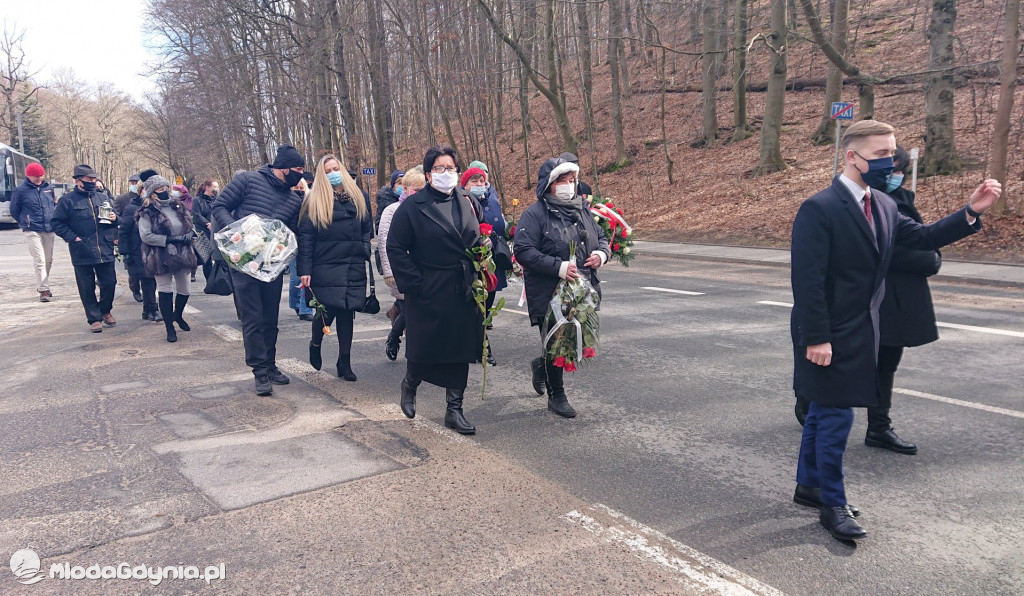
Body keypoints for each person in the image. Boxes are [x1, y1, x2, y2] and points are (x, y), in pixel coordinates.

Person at [790, 119, 1002, 543]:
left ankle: (809, 487)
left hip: (865, 329)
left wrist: (970, 212)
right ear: (852, 156)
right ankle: (833, 504)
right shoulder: (820, 208)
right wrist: (817, 337)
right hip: (828, 331)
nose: (890, 162)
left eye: (892, 152)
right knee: (836, 417)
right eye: (881, 154)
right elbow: (807, 280)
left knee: (822, 411)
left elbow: (922, 237)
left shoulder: (884, 205)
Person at [386, 145, 485, 435]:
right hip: (427, 286)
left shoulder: (467, 200)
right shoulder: (413, 206)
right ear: (429, 174)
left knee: (460, 349)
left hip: (462, 286)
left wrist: (485, 253)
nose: (446, 173)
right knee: (424, 346)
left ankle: (454, 409)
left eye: (450, 168)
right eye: (439, 168)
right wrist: (415, 283)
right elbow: (395, 247)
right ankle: (410, 383)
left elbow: (478, 235)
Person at [514, 156, 609, 419]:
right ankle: (557, 395)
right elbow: (523, 250)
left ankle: (541, 366)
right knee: (556, 341)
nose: (569, 185)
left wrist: (601, 254)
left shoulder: (582, 209)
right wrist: (558, 267)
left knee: (569, 340)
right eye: (562, 181)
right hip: (549, 291)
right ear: (549, 184)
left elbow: (601, 236)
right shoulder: (535, 214)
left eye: (572, 180)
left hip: (581, 291)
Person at [212, 144, 306, 396]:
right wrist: (238, 233)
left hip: (271, 266)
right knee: (252, 318)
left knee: (270, 319)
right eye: (298, 169)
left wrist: (286, 252)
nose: (300, 174)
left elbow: (292, 233)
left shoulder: (293, 199)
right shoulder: (248, 181)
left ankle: (271, 364)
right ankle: (259, 372)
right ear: (283, 168)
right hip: (243, 262)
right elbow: (219, 206)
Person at [297, 155, 372, 381]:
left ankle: (344, 361)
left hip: (353, 262)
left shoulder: (359, 196)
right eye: (328, 170)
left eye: (335, 168)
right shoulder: (315, 200)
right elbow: (306, 237)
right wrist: (304, 270)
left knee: (348, 311)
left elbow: (367, 228)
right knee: (326, 311)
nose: (333, 173)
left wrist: (364, 248)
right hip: (325, 264)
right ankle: (315, 343)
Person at [51, 164, 119, 333]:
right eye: (89, 179)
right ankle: (94, 318)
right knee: (86, 286)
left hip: (104, 247)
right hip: (82, 249)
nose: (93, 182)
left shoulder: (103, 197)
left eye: (94, 179)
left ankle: (105, 310)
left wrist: (115, 218)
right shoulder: (67, 200)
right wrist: (73, 238)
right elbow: (57, 223)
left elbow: (116, 219)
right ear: (78, 180)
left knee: (110, 283)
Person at [137, 175, 198, 342]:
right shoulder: (147, 211)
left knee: (185, 290)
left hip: (183, 252)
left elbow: (190, 224)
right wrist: (169, 239)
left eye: (165, 187)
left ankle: (177, 315)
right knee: (165, 289)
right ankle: (169, 327)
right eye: (159, 188)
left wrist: (190, 233)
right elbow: (146, 235)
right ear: (152, 192)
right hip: (160, 255)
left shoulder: (179, 206)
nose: (164, 190)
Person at [460, 164, 507, 365]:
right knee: (475, 306)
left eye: (482, 180)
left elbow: (500, 225)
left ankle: (478, 345)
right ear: (465, 184)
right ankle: (482, 349)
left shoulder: (492, 200)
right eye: (474, 181)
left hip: (492, 260)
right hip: (471, 261)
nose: (479, 184)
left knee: (487, 303)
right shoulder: (461, 202)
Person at [379, 166, 425, 361]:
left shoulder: (427, 207)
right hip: (401, 269)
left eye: (422, 189)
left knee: (414, 308)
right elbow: (384, 241)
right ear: (405, 189)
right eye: (415, 189)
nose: (418, 193)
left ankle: (397, 329)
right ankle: (396, 340)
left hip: (422, 269)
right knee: (409, 310)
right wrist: (389, 271)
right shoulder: (392, 211)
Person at [10, 162, 58, 302]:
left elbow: (53, 205)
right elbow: (14, 210)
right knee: (39, 260)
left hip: (49, 228)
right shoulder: (20, 190)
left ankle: (44, 283)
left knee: (48, 260)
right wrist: (24, 222)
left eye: (41, 175)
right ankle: (44, 289)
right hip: (32, 229)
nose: (39, 178)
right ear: (29, 176)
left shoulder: (48, 188)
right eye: (36, 176)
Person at [119, 177, 161, 322]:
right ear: (141, 191)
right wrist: (125, 252)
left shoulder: (156, 207)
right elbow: (124, 231)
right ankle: (153, 309)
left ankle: (147, 310)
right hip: (137, 250)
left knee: (151, 280)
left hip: (153, 249)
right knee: (147, 279)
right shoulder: (131, 208)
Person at [289, 176, 316, 321]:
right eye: (296, 188)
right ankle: (296, 304)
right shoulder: (287, 202)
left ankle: (305, 308)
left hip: (306, 243)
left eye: (301, 188)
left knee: (305, 278)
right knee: (295, 279)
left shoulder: (310, 202)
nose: (299, 190)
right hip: (292, 244)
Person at [114, 174, 144, 302]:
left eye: (136, 182)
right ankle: (135, 290)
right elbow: (117, 218)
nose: (134, 184)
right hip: (129, 238)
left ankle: (148, 297)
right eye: (132, 182)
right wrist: (117, 237)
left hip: (143, 239)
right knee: (133, 270)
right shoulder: (122, 199)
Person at [191, 178, 218, 282]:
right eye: (214, 186)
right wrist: (207, 223)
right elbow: (196, 214)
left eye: (217, 187)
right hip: (203, 231)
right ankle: (209, 281)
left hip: (216, 231)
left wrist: (215, 224)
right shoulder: (197, 200)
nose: (216, 189)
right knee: (207, 259)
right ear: (207, 187)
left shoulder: (217, 200)